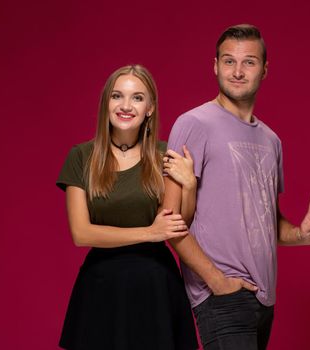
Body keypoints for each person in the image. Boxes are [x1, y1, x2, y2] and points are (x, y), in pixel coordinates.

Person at [163, 24, 310, 350]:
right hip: (222, 294)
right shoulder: (193, 124)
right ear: (215, 65)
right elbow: (169, 220)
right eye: (228, 61)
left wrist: (302, 234)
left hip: (264, 299)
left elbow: (267, 222)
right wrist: (216, 281)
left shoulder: (271, 140)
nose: (237, 71)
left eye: (249, 62)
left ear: (264, 70)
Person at [56, 65, 198, 350]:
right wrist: (148, 232)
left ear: (150, 108)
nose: (125, 106)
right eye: (117, 96)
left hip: (156, 285)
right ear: (106, 103)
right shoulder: (82, 156)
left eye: (136, 98)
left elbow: (175, 225)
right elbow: (81, 233)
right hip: (102, 285)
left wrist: (190, 187)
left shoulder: (164, 155)